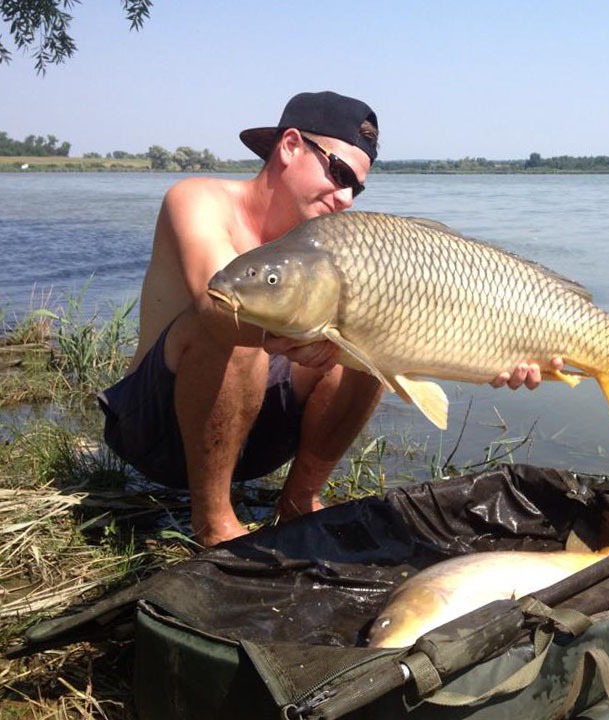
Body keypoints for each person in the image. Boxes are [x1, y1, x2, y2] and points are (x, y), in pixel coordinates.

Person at [98, 91, 561, 547]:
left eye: (355, 187)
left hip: (252, 444)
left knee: (375, 333)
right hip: (155, 432)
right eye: (338, 173)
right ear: (291, 145)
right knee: (229, 320)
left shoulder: (320, 245)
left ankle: (299, 502)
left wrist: (496, 355)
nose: (345, 198)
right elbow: (216, 299)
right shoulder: (197, 198)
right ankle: (216, 523)